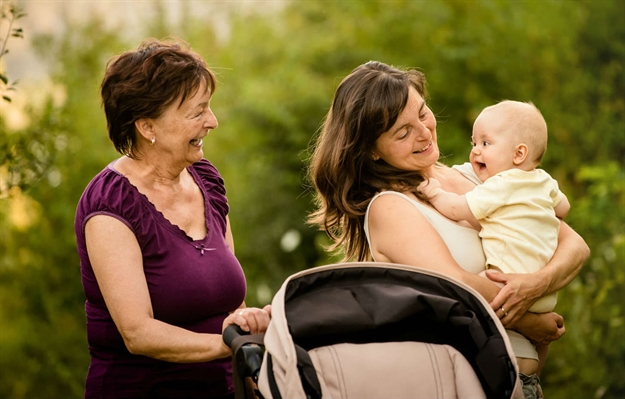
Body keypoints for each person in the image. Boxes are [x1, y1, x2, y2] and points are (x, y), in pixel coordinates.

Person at [306, 61, 589, 399]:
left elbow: (574, 245)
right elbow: (453, 283)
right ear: (371, 151)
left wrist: (534, 285)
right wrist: (528, 321)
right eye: (402, 132)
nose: (424, 133)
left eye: (422, 114)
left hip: (523, 385)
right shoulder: (390, 207)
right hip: (465, 387)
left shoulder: (478, 175)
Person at [74, 38, 270, 398]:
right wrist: (230, 345)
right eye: (197, 112)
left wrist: (249, 331)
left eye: (208, 108)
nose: (212, 121)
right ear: (148, 127)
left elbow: (230, 303)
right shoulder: (111, 206)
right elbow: (138, 333)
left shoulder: (206, 180)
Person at [417, 99, 571, 376]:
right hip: (546, 296)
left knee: (469, 290)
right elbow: (564, 208)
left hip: (507, 281)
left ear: (519, 153)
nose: (475, 151)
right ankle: (535, 368)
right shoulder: (544, 181)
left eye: (485, 144)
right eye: (474, 143)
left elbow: (457, 208)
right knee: (536, 346)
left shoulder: (500, 185)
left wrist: (434, 193)